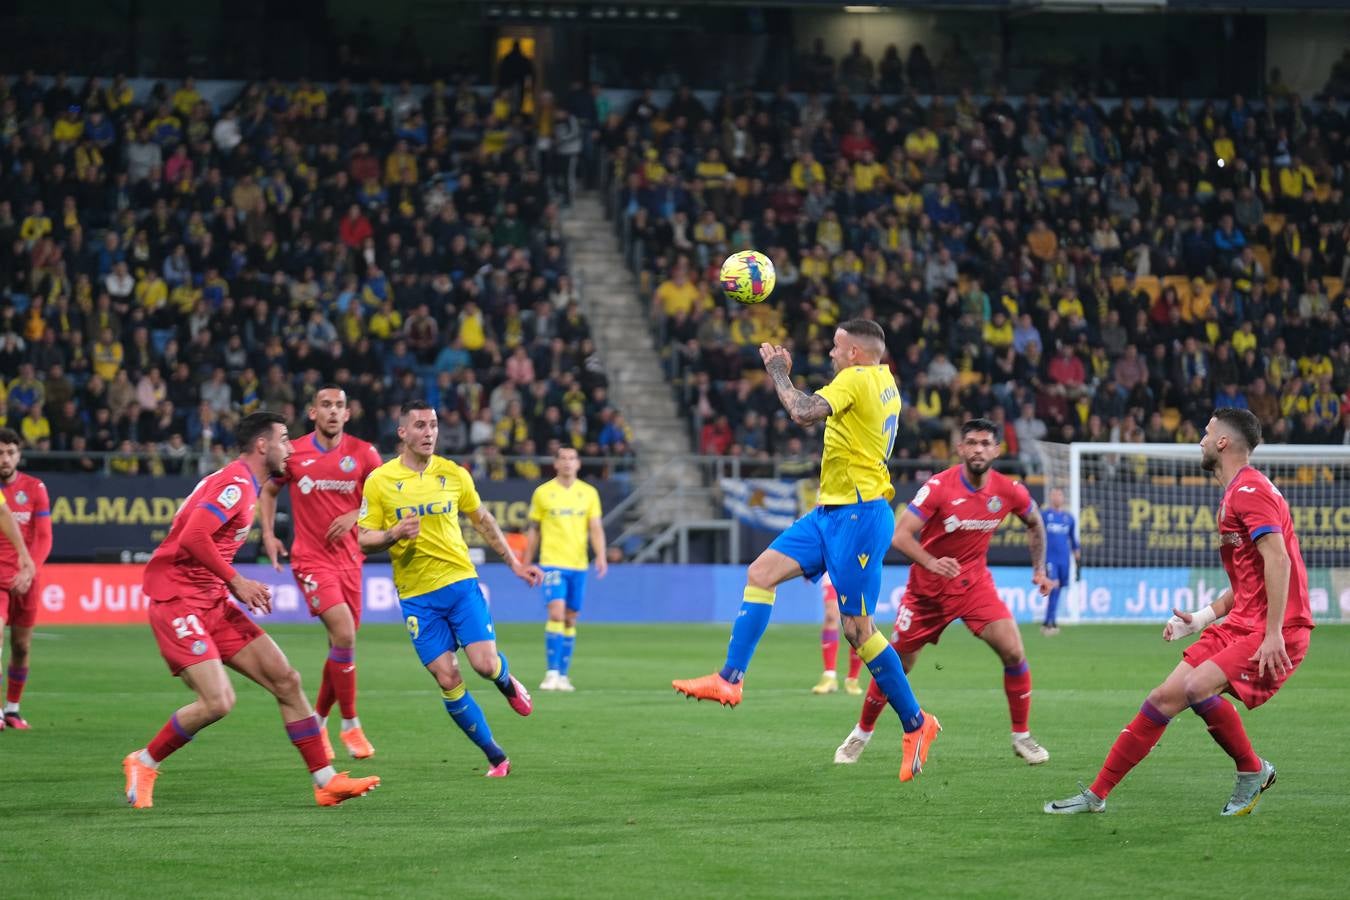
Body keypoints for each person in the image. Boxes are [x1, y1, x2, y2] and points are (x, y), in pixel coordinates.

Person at [673, 320, 942, 783]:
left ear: (856, 352)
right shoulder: (886, 382)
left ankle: (918, 724)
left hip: (859, 516)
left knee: (859, 630)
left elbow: (800, 410)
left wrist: (778, 372)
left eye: (837, 347)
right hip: (830, 513)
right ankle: (730, 679)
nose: (831, 354)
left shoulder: (856, 378)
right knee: (760, 573)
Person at [1046, 409, 1312, 816]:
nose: (1201, 441)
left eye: (1207, 434)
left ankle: (1252, 770)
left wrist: (1274, 632)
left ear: (1223, 442)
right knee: (1162, 699)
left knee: (1196, 688)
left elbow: (1279, 561)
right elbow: (1248, 582)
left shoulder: (1249, 491)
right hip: (1244, 623)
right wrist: (1202, 618)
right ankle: (1096, 795)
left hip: (1275, 628)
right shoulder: (1238, 492)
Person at [123, 412, 380, 809]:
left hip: (210, 600)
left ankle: (325, 781)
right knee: (218, 702)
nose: (291, 447)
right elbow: (193, 537)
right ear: (263, 445)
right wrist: (236, 581)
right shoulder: (236, 483)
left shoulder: (243, 483)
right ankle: (144, 761)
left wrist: (226, 585)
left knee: (287, 680)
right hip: (178, 599)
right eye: (284, 439)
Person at [834, 418, 1053, 768]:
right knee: (895, 665)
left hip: (973, 585)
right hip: (927, 592)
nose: (978, 449)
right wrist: (932, 562)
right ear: (960, 448)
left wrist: (1040, 570)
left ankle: (1022, 736)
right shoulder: (938, 487)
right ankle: (861, 734)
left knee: (1013, 651)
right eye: (971, 442)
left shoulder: (1008, 490)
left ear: (997, 450)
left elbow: (1035, 521)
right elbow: (901, 536)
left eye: (985, 443)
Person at [357, 401, 544, 777]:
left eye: (434, 425)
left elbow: (483, 518)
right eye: (420, 426)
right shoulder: (380, 481)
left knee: (484, 665)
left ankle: (505, 681)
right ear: (403, 433)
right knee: (448, 677)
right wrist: (393, 533)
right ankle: (496, 756)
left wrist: (515, 563)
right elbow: (364, 538)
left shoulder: (454, 474)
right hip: (416, 597)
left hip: (459, 583)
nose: (429, 433)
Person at [259, 386, 385, 760]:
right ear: (313, 412)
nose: (333, 411)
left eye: (339, 406)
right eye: (326, 405)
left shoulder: (365, 454)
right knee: (345, 634)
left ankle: (319, 720)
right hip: (311, 561)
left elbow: (384, 498)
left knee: (339, 648)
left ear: (348, 414)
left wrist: (356, 515)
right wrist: (268, 535)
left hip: (351, 562)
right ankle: (351, 725)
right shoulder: (294, 452)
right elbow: (268, 491)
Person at [524, 446, 608, 692]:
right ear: (556, 464)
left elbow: (595, 528)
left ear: (578, 464)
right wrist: (526, 562)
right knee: (556, 614)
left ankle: (563, 675)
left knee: (570, 619)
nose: (568, 463)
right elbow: (534, 530)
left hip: (578, 564)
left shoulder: (589, 493)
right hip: (551, 562)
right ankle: (551, 673)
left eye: (572, 458)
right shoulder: (543, 493)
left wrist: (601, 555)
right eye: (563, 458)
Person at [0, 428, 46, 730]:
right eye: (0, 453)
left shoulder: (34, 488)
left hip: (27, 578)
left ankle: (13, 709)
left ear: (19, 454)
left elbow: (44, 537)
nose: (4, 459)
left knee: (22, 647)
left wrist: (30, 570)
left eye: (10, 452)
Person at [814, 573, 864, 695]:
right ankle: (829, 675)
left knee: (857, 621)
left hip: (858, 569)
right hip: (833, 568)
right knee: (831, 615)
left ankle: (853, 679)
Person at [1040, 487, 1080, 635]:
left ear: (1063, 498)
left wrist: (1077, 556)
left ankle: (1047, 621)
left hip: (1065, 560)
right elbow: (1038, 535)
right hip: (1050, 558)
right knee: (1054, 586)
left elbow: (1073, 540)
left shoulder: (1069, 518)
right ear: (1050, 497)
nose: (1057, 497)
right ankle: (1051, 622)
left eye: (1059, 495)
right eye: (1054, 495)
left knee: (1059, 589)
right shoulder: (1044, 516)